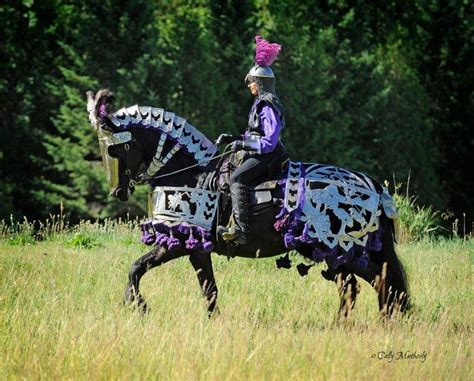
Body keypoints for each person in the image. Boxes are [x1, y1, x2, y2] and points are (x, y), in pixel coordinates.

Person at [216, 36, 285, 245]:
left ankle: (241, 230)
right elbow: (253, 134)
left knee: (237, 179)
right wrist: (235, 138)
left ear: (261, 83)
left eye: (252, 82)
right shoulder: (259, 104)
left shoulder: (267, 104)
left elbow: (269, 141)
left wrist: (243, 145)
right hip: (259, 152)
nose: (249, 86)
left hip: (268, 155)